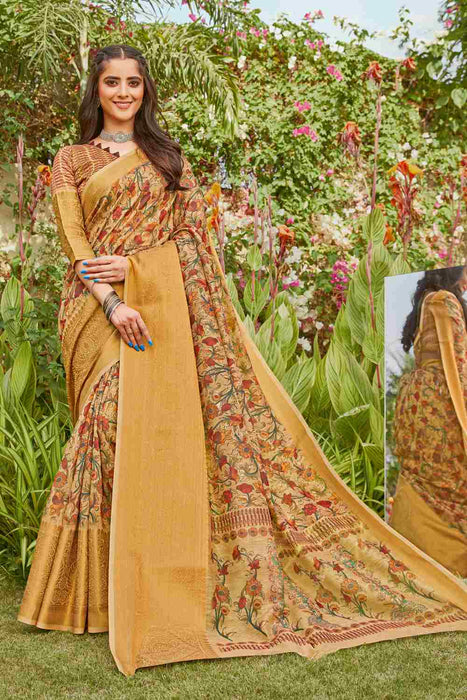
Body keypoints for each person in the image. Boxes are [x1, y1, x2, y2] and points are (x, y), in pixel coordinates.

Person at [17, 44, 467, 677]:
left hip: (166, 311)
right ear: (96, 90)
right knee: (102, 430)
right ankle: (88, 600)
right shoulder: (72, 159)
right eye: (112, 82)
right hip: (99, 314)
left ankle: (153, 584)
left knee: (144, 433)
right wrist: (114, 301)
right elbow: (76, 242)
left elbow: (193, 241)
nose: (123, 92)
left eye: (133, 83)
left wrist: (141, 271)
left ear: (146, 90)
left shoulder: (167, 159)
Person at [390, 266, 467, 577]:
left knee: (423, 473)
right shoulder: (443, 300)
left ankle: (413, 554)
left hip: (418, 400)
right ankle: (447, 560)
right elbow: (458, 359)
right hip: (441, 398)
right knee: (450, 472)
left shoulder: (427, 300)